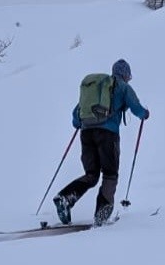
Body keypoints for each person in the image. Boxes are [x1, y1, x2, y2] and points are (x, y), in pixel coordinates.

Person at [54, 58, 149, 226]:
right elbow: (136, 108)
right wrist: (145, 114)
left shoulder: (99, 89)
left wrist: (82, 124)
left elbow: (77, 115)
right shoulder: (122, 87)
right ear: (125, 74)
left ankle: (65, 198)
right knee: (110, 174)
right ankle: (102, 215)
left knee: (92, 175)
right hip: (108, 135)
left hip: (86, 133)